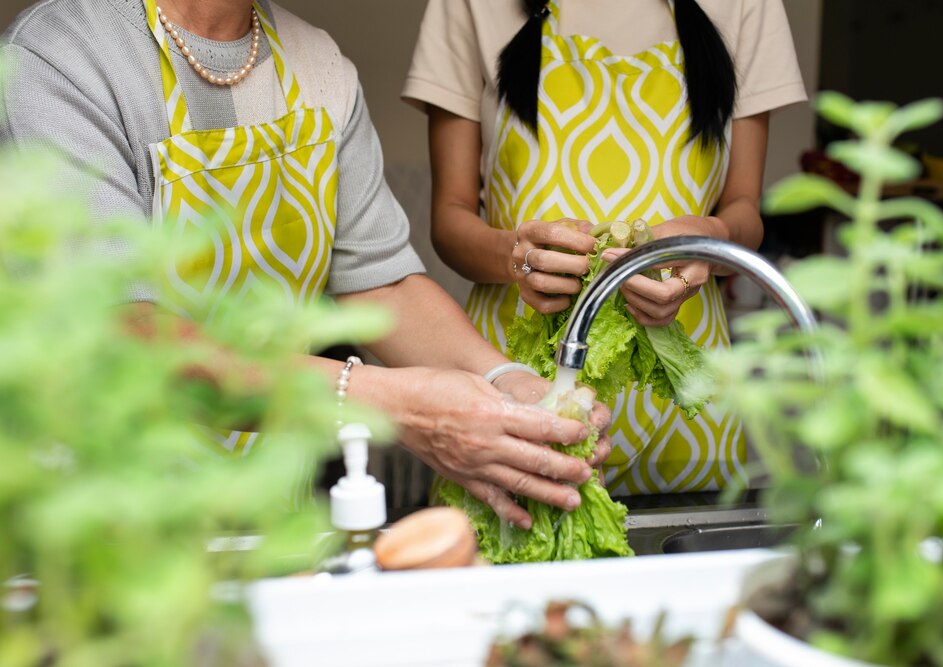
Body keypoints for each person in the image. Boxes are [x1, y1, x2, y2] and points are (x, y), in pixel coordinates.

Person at [0, 0, 612, 529]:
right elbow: (129, 340)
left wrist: (512, 388)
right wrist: (394, 404)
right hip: (99, 537)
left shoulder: (317, 65)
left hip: (272, 523)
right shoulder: (59, 59)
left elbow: (383, 287)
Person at [403, 0, 807, 494]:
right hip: (517, 392)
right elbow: (448, 221)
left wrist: (710, 239)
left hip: (688, 404)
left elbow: (744, 208)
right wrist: (519, 255)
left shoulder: (747, 6)